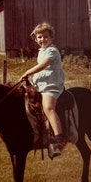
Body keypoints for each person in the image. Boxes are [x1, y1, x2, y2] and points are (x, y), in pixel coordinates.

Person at [21, 22, 67, 158]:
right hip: (41, 83)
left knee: (48, 107)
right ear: (36, 39)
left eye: (45, 36)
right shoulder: (41, 51)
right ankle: (41, 134)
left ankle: (60, 138)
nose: (42, 39)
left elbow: (43, 65)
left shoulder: (52, 51)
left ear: (51, 37)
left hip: (51, 84)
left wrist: (27, 72)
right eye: (39, 37)